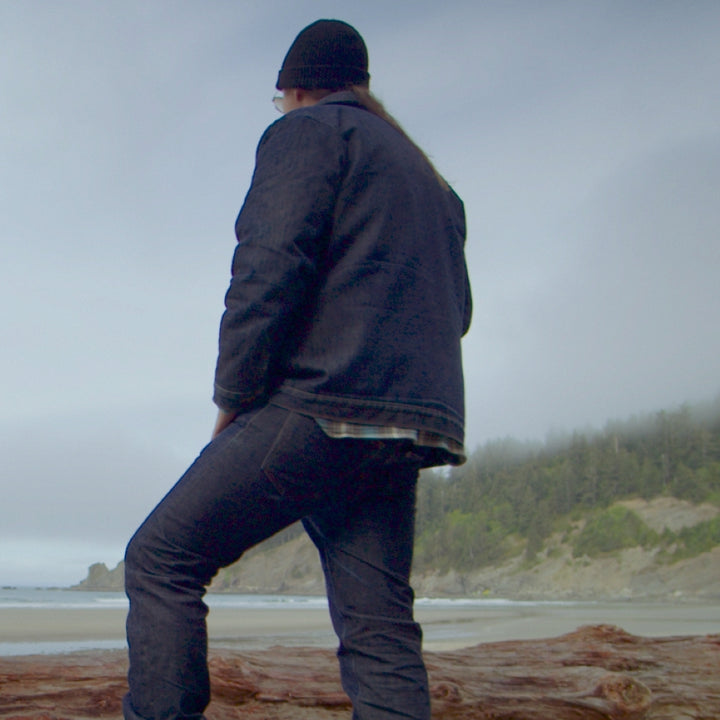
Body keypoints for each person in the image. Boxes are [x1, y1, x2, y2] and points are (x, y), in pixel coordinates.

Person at [122, 18, 471, 720]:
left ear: (294, 91)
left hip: (321, 405)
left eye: (277, 101)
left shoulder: (307, 134)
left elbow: (266, 270)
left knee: (161, 561)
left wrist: (234, 397)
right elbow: (456, 311)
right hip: (410, 424)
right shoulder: (429, 179)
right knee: (379, 629)